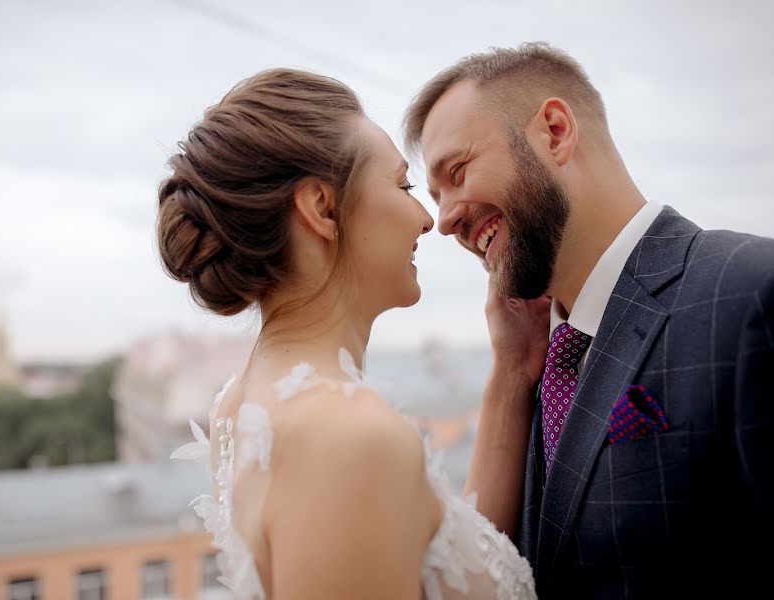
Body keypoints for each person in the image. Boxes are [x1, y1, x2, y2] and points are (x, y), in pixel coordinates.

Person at [404, 42, 774, 598]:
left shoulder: (750, 290)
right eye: (434, 195)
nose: (445, 219)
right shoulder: (533, 365)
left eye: (457, 172)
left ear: (554, 132)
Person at [160, 68, 542, 599]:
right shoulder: (350, 437)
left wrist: (512, 368)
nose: (426, 219)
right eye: (403, 185)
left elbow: (433, 564)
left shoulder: (243, 406)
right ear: (322, 208)